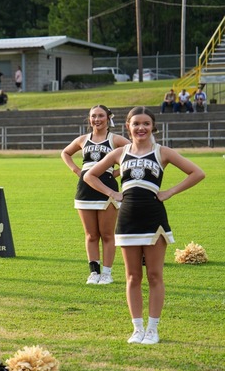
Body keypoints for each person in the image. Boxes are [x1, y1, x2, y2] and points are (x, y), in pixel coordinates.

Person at [84, 107, 204, 345]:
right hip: (127, 220)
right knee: (132, 276)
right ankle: (137, 328)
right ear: (128, 126)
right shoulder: (119, 152)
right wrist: (112, 193)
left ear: (153, 127)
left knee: (155, 275)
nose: (141, 128)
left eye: (146, 124)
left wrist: (169, 191)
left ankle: (153, 329)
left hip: (153, 219)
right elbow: (90, 175)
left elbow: (197, 173)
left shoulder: (163, 152)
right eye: (136, 123)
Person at [61, 105, 130, 285]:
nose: (97, 119)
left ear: (108, 118)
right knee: (91, 235)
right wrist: (76, 170)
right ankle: (94, 272)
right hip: (85, 189)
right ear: (89, 119)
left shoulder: (115, 139)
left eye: (100, 116)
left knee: (107, 234)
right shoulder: (83, 139)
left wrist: (115, 173)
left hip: (107, 189)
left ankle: (107, 273)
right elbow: (65, 153)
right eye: (93, 116)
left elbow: (134, 154)